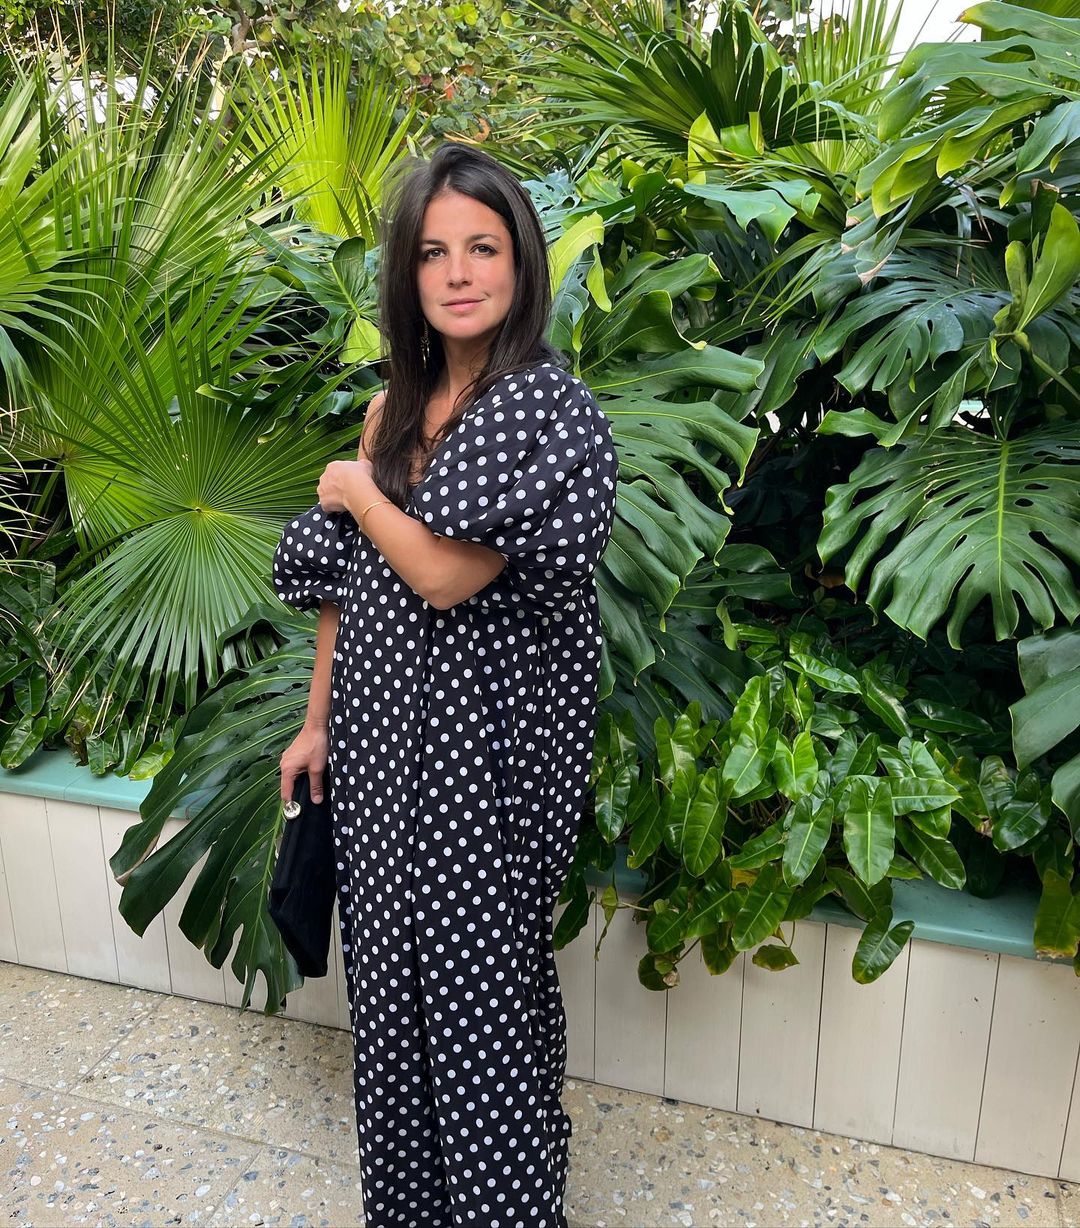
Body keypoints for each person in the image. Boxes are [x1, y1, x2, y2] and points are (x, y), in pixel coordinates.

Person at [272, 140, 618, 1227]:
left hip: (487, 766)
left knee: (484, 1008)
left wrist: (354, 489)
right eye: (434, 252)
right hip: (379, 751)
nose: (459, 272)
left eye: (483, 246)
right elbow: (347, 585)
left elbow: (441, 574)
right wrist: (318, 722)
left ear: (520, 263)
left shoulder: (548, 410)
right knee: (391, 1001)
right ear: (408, 274)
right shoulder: (393, 410)